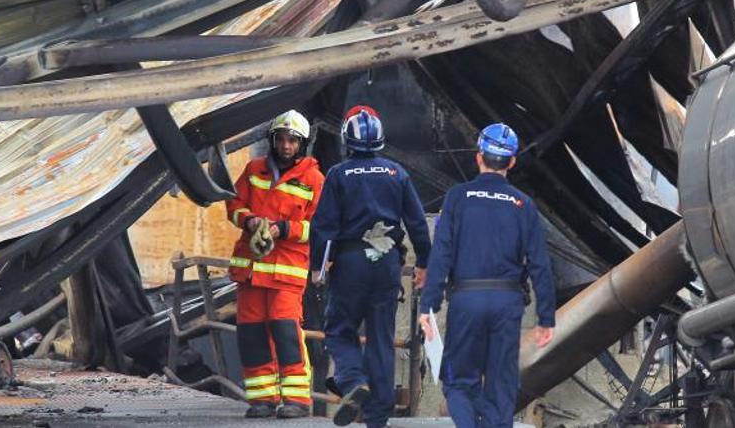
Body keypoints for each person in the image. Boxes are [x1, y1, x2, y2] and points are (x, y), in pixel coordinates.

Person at [418, 122, 556, 427]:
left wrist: (428, 305)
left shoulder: (457, 197)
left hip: (467, 301)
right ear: (512, 161)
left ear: (479, 156)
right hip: (507, 303)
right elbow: (539, 264)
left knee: (457, 382)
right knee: (501, 384)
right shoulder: (524, 205)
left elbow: (441, 254)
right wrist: (546, 317)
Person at [310, 105, 432, 427]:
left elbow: (323, 228)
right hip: (387, 264)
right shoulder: (397, 173)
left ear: (346, 141)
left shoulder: (337, 175)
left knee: (339, 329)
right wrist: (424, 262)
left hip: (350, 263)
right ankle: (378, 416)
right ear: (380, 140)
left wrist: (319, 269)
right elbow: (418, 223)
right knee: (381, 338)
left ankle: (352, 381)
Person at [226, 109, 324, 419]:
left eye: (292, 141)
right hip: (252, 273)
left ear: (302, 144)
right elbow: (233, 205)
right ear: (272, 140)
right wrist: (251, 220)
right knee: (251, 335)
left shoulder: (314, 179)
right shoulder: (254, 170)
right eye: (281, 140)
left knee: (286, 334)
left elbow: (319, 227)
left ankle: (296, 400)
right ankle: (262, 399)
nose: (285, 146)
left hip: (285, 274)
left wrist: (284, 229)